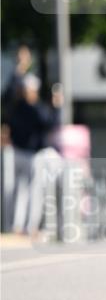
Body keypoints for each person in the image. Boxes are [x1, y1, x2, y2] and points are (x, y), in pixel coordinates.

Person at [7, 74, 63, 234]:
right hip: (32, 154)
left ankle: (17, 226)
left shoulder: (16, 107)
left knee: (20, 191)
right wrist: (57, 105)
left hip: (18, 152)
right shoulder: (34, 108)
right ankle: (30, 226)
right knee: (33, 191)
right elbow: (51, 123)